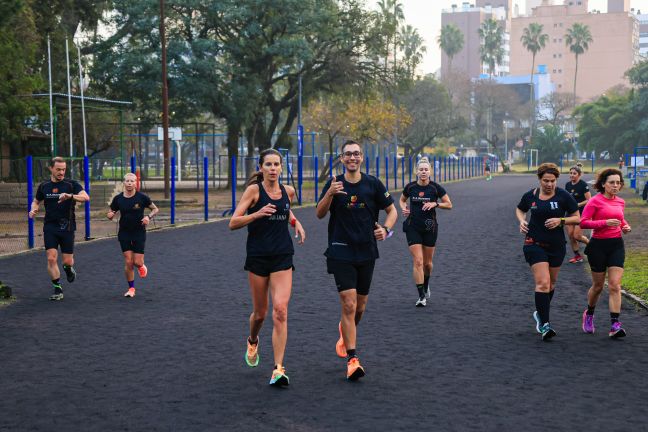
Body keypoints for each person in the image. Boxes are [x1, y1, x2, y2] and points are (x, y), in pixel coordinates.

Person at [316, 140, 397, 381]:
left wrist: (386, 229)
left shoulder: (372, 184)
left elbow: (392, 211)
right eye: (348, 154)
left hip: (366, 251)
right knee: (349, 304)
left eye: (356, 154)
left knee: (359, 307)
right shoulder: (334, 184)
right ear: (341, 159)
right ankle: (353, 359)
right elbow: (319, 214)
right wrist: (330, 193)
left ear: (361, 157)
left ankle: (346, 329)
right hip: (341, 250)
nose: (352, 157)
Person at [229, 148, 305, 387]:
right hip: (258, 256)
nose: (273, 169)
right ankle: (253, 339)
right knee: (260, 313)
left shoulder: (288, 191)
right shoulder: (254, 191)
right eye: (268, 164)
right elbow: (233, 222)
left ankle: (278, 369)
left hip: (283, 255)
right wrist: (257, 214)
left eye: (276, 164)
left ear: (282, 168)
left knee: (280, 310)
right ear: (261, 168)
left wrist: (296, 222)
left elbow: (285, 209)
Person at [515, 163, 580, 340]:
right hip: (533, 243)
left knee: (551, 285)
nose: (549, 184)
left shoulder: (563, 196)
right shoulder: (531, 196)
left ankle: (540, 313)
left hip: (557, 246)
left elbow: (577, 217)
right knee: (543, 283)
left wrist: (561, 220)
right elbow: (520, 209)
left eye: (552, 181)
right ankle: (545, 324)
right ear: (539, 179)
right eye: (546, 181)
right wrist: (522, 220)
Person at [29, 157, 90, 301]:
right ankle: (57, 289)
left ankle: (68, 269)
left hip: (67, 227)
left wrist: (70, 196)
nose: (61, 172)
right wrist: (33, 209)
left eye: (63, 169)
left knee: (67, 261)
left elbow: (85, 197)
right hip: (50, 226)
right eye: (58, 169)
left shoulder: (71, 184)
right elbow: (36, 201)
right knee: (51, 258)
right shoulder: (44, 186)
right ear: (51, 168)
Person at [580, 168, 631, 338]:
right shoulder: (595, 201)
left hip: (616, 245)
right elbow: (584, 223)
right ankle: (589, 314)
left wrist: (625, 226)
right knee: (598, 286)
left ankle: (615, 325)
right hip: (598, 247)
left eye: (618, 182)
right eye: (612, 182)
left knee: (615, 285)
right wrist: (604, 223)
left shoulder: (621, 202)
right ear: (603, 184)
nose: (616, 185)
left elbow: (621, 219)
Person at [399, 157, 452, 307]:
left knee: (428, 264)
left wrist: (435, 203)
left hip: (430, 228)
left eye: (426, 169)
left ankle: (426, 283)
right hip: (412, 227)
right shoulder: (410, 187)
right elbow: (402, 200)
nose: (423, 172)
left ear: (430, 171)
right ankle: (421, 296)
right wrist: (404, 208)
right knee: (418, 261)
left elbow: (449, 204)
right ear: (417, 172)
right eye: (421, 169)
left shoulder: (435, 188)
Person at [107, 173, 159, 298]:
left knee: (136, 262)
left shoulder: (142, 197)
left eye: (132, 181)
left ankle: (141, 266)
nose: (129, 183)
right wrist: (110, 215)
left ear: (136, 183)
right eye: (127, 181)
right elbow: (111, 211)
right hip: (124, 232)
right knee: (128, 261)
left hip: (139, 232)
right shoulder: (118, 198)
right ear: (124, 183)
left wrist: (148, 217)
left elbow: (155, 209)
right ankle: (131, 289)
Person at [564, 165, 591, 263]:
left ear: (579, 175)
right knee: (571, 236)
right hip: (569, 213)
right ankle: (577, 256)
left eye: (574, 173)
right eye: (570, 173)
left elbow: (589, 200)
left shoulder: (583, 184)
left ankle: (591, 245)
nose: (572, 175)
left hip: (581, 213)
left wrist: (578, 204)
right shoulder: (567, 185)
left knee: (577, 236)